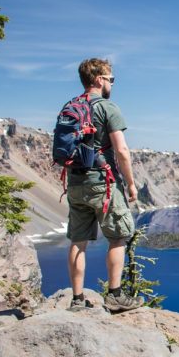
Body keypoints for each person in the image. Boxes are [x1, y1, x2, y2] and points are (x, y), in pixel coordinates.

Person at [65, 58, 142, 312]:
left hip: (75, 182)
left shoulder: (70, 107)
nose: (112, 84)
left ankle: (77, 300)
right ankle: (115, 295)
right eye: (111, 79)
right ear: (99, 79)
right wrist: (131, 184)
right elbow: (121, 151)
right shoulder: (107, 108)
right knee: (119, 236)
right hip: (102, 183)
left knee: (78, 240)